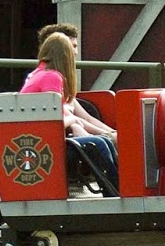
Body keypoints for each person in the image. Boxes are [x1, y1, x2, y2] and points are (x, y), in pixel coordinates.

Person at [21, 31, 118, 188]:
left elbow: (66, 115)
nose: (75, 54)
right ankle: (114, 190)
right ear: (64, 56)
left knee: (103, 140)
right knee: (99, 144)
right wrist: (74, 123)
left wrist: (107, 132)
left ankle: (115, 189)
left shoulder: (39, 74)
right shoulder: (51, 77)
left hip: (38, 137)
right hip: (43, 143)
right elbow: (54, 121)